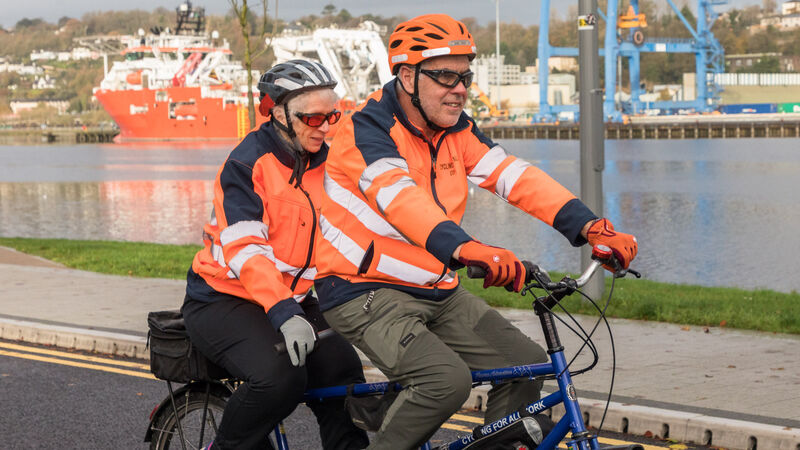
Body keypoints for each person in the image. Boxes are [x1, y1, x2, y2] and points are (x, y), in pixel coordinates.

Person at [314, 14, 638, 450]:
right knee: (445, 382)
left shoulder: (456, 129)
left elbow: (515, 178)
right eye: (446, 75)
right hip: (362, 290)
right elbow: (400, 201)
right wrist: (467, 249)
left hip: (435, 286)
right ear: (407, 76)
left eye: (465, 75)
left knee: (525, 365)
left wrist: (590, 226)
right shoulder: (365, 130)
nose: (460, 88)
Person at [182, 59, 369, 450]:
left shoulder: (328, 166)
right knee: (281, 377)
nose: (325, 128)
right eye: (313, 118)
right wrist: (284, 312)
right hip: (222, 298)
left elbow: (361, 231)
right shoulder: (246, 164)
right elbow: (246, 249)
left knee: (344, 373)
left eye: (332, 116)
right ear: (278, 111)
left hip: (292, 298)